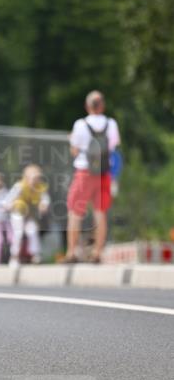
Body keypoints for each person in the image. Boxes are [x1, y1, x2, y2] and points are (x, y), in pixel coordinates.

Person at [64, 90, 121, 263]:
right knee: (100, 213)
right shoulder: (111, 124)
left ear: (87, 106)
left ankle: (72, 252)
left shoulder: (80, 124)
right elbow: (114, 146)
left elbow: (74, 151)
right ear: (102, 105)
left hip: (84, 171)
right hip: (104, 172)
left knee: (75, 212)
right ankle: (97, 253)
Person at [4, 164, 50, 265]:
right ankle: (14, 256)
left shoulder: (40, 187)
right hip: (18, 212)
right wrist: (8, 205)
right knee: (18, 233)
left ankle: (35, 255)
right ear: (26, 178)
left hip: (30, 213)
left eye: (37, 179)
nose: (35, 181)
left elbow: (45, 199)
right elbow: (8, 200)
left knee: (32, 231)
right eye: (33, 179)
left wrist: (44, 205)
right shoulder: (19, 186)